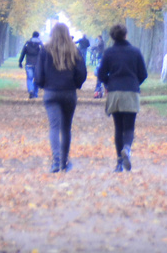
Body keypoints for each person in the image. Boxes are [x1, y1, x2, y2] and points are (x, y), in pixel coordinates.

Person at [34, 22, 87, 173]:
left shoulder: (45, 50)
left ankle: (55, 161)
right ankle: (65, 162)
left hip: (51, 92)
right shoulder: (74, 51)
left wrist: (43, 85)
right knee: (66, 128)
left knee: (54, 127)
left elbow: (39, 73)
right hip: (69, 92)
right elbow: (81, 73)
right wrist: (76, 84)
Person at [95, 23, 147, 172]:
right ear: (126, 35)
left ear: (112, 36)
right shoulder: (135, 52)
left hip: (115, 92)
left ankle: (119, 163)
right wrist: (135, 82)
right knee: (129, 126)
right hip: (131, 91)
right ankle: (127, 148)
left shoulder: (109, 53)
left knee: (118, 127)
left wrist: (109, 83)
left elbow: (101, 74)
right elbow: (143, 73)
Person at [18, 31, 44, 99]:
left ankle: (31, 90)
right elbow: (44, 54)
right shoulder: (40, 44)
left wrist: (20, 62)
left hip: (29, 64)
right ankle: (35, 93)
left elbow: (23, 53)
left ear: (32, 36)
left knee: (29, 78)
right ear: (38, 36)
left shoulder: (27, 43)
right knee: (37, 79)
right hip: (38, 65)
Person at [90, 34, 107, 99]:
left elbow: (98, 46)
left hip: (100, 72)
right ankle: (105, 90)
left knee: (99, 80)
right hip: (104, 74)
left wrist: (94, 47)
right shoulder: (102, 42)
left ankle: (97, 92)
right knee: (104, 81)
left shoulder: (101, 42)